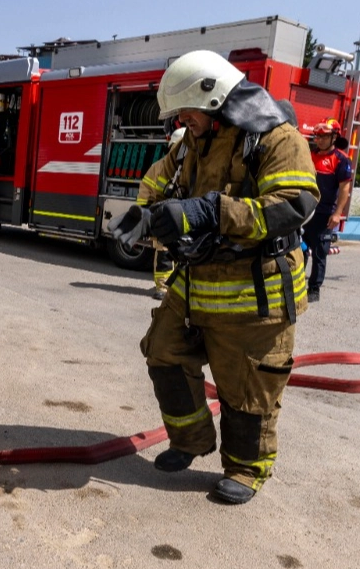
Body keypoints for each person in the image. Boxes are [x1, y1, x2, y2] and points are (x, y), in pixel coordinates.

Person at [109, 50, 319, 504]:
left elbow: (294, 205)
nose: (183, 120)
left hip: (254, 289)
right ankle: (190, 441)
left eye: (188, 111)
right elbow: (159, 184)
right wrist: (142, 219)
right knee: (162, 351)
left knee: (246, 386)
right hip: (197, 279)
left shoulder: (276, 138)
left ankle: (246, 469)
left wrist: (208, 211)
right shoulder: (190, 142)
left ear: (215, 98)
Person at [303, 118, 354, 302]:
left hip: (325, 215)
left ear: (334, 137)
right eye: (317, 136)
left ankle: (314, 289)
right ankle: (296, 286)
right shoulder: (310, 155)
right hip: (306, 211)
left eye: (324, 136)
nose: (319, 140)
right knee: (299, 249)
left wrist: (337, 213)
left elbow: (344, 189)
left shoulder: (341, 160)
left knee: (319, 253)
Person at [135, 127, 186, 298]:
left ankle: (176, 287)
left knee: (180, 252)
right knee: (164, 250)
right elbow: (146, 190)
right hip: (164, 215)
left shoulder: (193, 166)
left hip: (182, 216)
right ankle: (163, 287)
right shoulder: (161, 167)